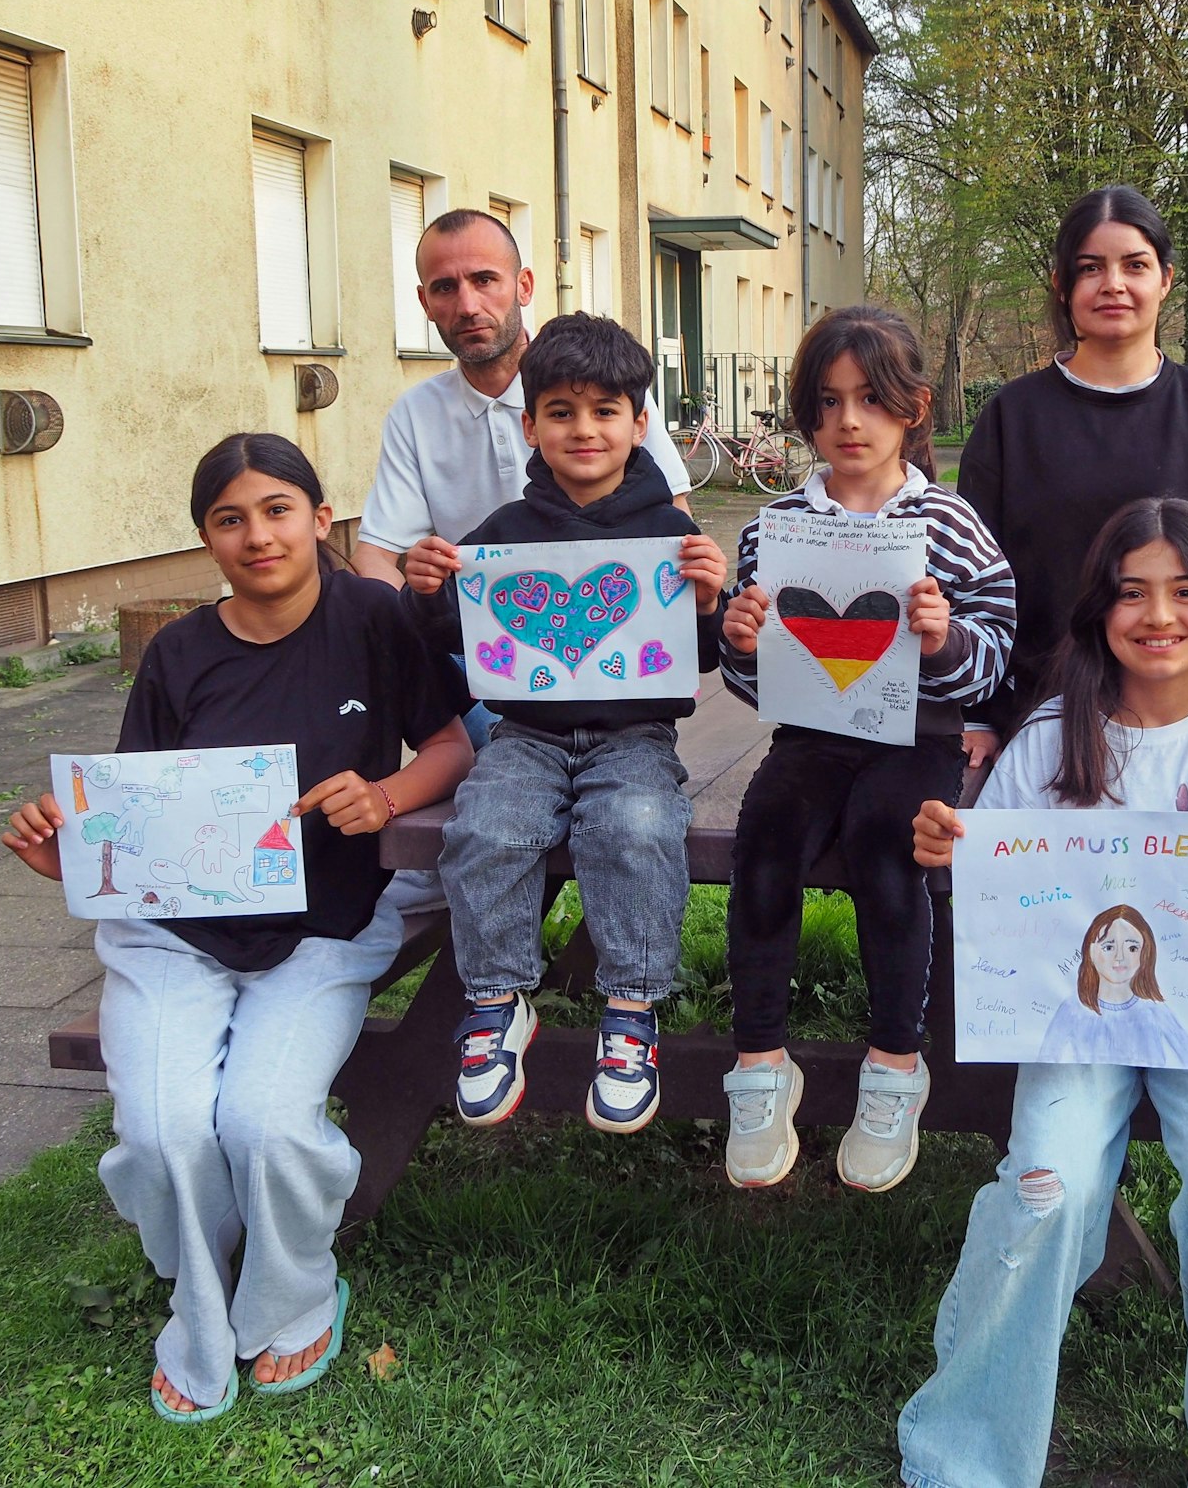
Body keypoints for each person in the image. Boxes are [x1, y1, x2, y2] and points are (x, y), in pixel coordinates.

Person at [898, 498, 1188, 1488]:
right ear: (1097, 612)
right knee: (1045, 1188)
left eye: (1185, 593)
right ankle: (966, 1457)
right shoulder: (1049, 741)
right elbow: (997, 889)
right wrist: (950, 847)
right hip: (1079, 1027)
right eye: (1130, 593)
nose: (1157, 615)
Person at [0, 434, 472, 1422]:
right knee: (165, 1132)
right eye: (230, 519)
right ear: (206, 538)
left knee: (261, 1123)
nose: (258, 535)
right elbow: (136, 813)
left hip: (325, 925)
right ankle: (200, 1303)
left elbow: (450, 741)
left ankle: (294, 1292)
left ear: (316, 514)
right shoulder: (178, 653)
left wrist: (385, 797)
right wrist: (74, 858)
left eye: (276, 510)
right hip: (175, 934)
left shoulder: (374, 617)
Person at [400, 313, 728, 1134]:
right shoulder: (502, 535)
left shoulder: (673, 533)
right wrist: (429, 588)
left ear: (640, 424)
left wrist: (711, 601)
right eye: (561, 411)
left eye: (605, 410)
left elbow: (707, 653)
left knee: (639, 824)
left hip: (634, 738)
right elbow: (450, 639)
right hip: (526, 736)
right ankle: (497, 1000)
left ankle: (631, 1012)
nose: (584, 429)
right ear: (531, 426)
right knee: (486, 825)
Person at [716, 306, 1014, 1192]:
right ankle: (761, 1062)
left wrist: (946, 640)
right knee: (764, 839)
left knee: (892, 844)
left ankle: (894, 1066)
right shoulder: (773, 529)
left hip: (917, 740)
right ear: (807, 415)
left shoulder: (950, 525)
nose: (850, 421)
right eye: (830, 402)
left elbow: (998, 652)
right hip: (811, 736)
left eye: (873, 401)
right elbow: (748, 680)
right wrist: (738, 643)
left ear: (913, 409)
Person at [958, 185, 1188, 776]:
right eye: (1090, 268)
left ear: (1164, 280)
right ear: (1063, 287)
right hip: (1040, 720)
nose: (1112, 284)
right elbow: (974, 581)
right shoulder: (1013, 418)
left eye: (1134, 265)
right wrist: (980, 713)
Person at [352, 210, 692, 748]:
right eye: (445, 287)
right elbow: (375, 558)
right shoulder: (414, 414)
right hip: (482, 653)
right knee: (507, 772)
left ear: (523, 285)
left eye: (484, 280)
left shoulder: (607, 383)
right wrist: (427, 611)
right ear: (424, 303)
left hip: (614, 649)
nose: (467, 305)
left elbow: (674, 524)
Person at [1037, 904, 1188, 1068]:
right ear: (1090, 951)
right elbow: (1045, 1057)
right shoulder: (1073, 1009)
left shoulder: (1155, 1011)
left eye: (1132, 948)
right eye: (1109, 947)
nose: (1120, 957)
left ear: (1146, 954)